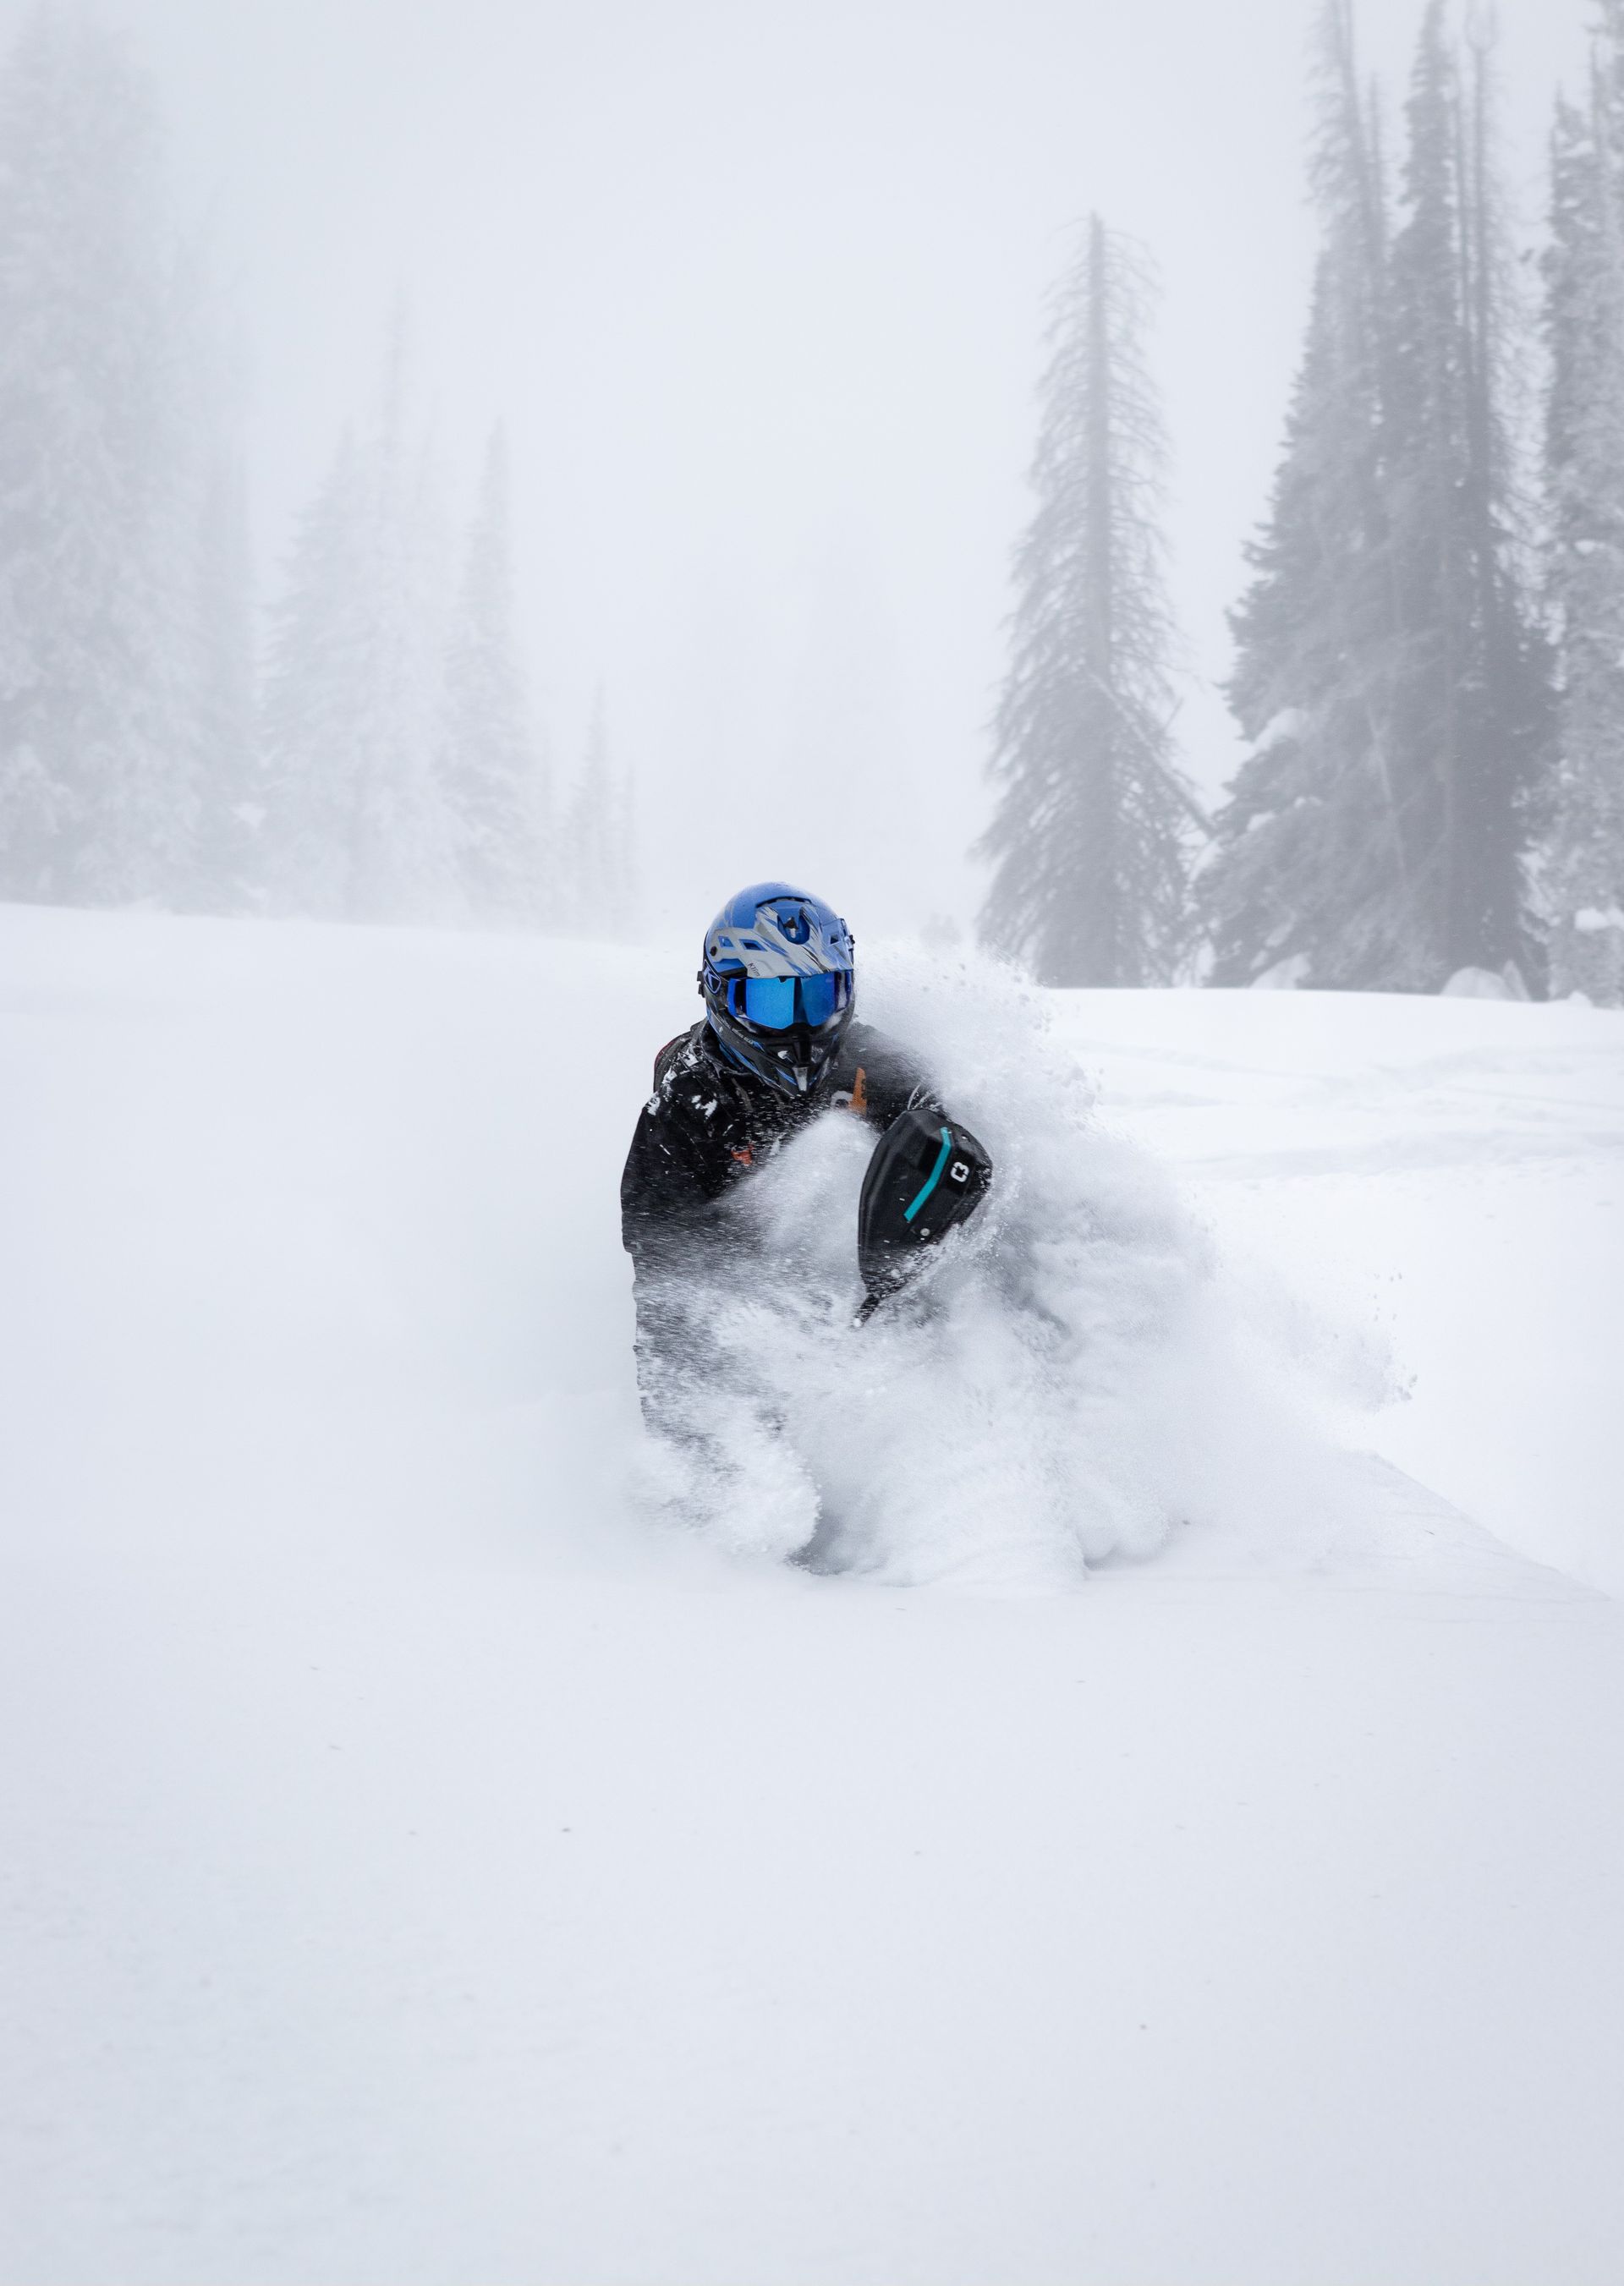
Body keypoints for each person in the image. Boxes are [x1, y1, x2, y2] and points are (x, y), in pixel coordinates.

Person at [621, 881, 992, 1444]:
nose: (799, 1029)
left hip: (876, 1291)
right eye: (772, 1004)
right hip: (747, 1296)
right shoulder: (684, 1109)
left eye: (819, 999)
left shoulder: (881, 1067)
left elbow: (950, 1164)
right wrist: (694, 1440)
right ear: (721, 996)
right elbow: (668, 1287)